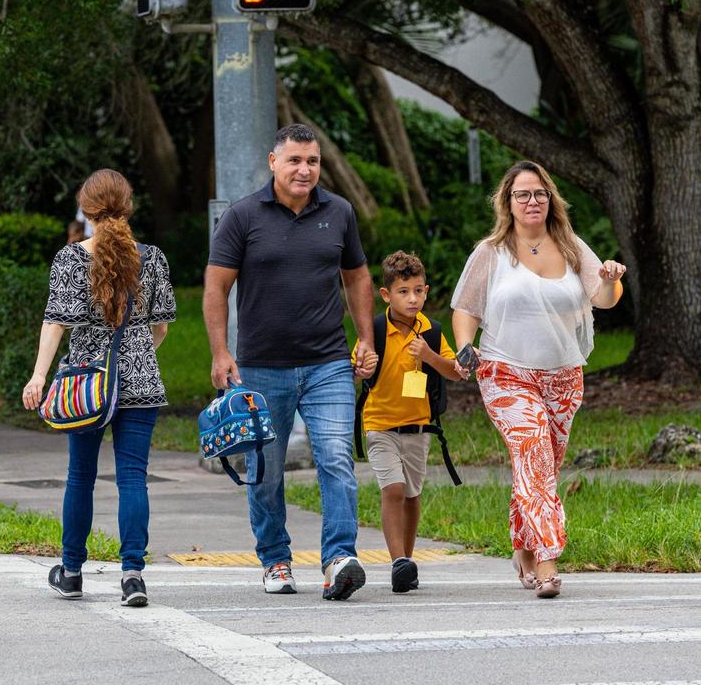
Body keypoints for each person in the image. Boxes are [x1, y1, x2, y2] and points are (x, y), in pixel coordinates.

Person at [203, 123, 378, 600]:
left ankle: (339, 558)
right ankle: (275, 559)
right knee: (266, 470)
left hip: (328, 365)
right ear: (273, 162)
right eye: (296, 160)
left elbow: (358, 277)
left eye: (313, 161)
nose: (305, 170)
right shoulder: (241, 217)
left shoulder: (338, 212)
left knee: (337, 459)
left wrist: (365, 339)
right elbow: (216, 286)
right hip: (261, 368)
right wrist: (221, 352)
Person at [451, 160, 626, 599]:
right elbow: (466, 308)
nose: (533, 201)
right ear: (507, 203)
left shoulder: (570, 246)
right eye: (522, 195)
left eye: (540, 194)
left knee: (542, 468)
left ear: (551, 200)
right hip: (505, 371)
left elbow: (602, 300)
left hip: (563, 378)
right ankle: (547, 564)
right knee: (534, 458)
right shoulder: (492, 252)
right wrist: (464, 346)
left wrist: (609, 279)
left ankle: (524, 547)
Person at [22, 169, 176, 607]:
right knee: (133, 478)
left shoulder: (71, 259)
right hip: (141, 382)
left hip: (86, 384)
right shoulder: (154, 258)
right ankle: (133, 577)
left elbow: (56, 322)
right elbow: (160, 328)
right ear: (128, 206)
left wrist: (39, 376)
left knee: (80, 476)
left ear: (86, 209)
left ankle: (71, 572)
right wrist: (138, 356)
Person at [353, 251, 466, 593]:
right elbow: (357, 367)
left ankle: (407, 561)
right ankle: (398, 560)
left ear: (427, 291)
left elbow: (457, 372)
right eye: (403, 291)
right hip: (380, 425)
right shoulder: (372, 330)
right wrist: (361, 368)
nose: (412, 298)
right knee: (394, 489)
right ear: (386, 295)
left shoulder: (431, 331)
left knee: (413, 494)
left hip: (418, 426)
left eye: (418, 290)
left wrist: (428, 355)